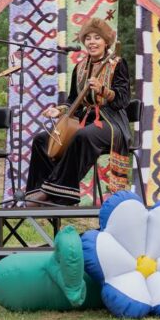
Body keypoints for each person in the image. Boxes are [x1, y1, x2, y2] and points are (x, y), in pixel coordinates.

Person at [26, 18, 130, 206]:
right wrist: (58, 110)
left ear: (106, 41)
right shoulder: (80, 67)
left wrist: (103, 90)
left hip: (112, 122)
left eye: (97, 38)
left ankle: (55, 192)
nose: (92, 42)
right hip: (86, 120)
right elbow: (73, 100)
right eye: (88, 38)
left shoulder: (117, 63)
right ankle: (43, 193)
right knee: (42, 139)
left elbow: (123, 100)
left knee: (82, 136)